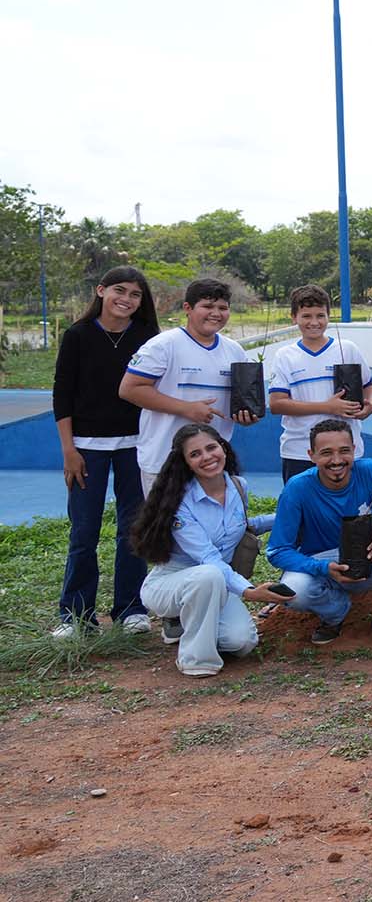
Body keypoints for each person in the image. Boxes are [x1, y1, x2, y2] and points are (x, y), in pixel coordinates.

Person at [54, 266, 158, 637]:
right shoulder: (78, 335)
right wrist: (69, 450)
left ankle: (131, 609)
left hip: (136, 447)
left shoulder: (148, 337)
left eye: (135, 294)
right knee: (84, 531)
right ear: (101, 291)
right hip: (87, 449)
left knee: (133, 529)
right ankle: (75, 615)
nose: (126, 299)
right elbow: (62, 394)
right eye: (119, 290)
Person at [267, 419, 372, 649]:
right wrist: (323, 568)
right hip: (325, 564)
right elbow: (277, 550)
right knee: (295, 590)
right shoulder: (297, 488)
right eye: (326, 453)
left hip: (371, 556)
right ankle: (335, 612)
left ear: (354, 450)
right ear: (311, 455)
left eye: (344, 451)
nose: (337, 460)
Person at [128, 425, 278, 676]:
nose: (207, 457)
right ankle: (196, 659)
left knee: (241, 642)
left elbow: (243, 526)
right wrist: (249, 591)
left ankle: (185, 621)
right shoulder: (180, 501)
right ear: (185, 462)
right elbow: (209, 558)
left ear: (223, 447)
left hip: (216, 584)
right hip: (173, 583)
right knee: (209, 574)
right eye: (195, 454)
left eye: (211, 447)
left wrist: (287, 516)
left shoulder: (238, 486)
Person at [120, 277, 260, 495]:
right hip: (165, 461)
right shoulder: (163, 345)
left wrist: (246, 416)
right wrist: (185, 408)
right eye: (207, 306)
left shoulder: (235, 351)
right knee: (167, 519)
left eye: (223, 308)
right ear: (188, 308)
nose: (216, 313)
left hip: (213, 464)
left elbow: (241, 401)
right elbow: (130, 389)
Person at [268, 285, 372, 482]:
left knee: (351, 501)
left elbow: (368, 386)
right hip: (299, 450)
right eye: (306, 316)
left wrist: (371, 405)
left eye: (320, 315)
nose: (314, 322)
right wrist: (327, 407)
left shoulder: (347, 349)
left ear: (328, 316)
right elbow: (277, 404)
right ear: (294, 317)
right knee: (303, 502)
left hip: (345, 451)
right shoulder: (285, 356)